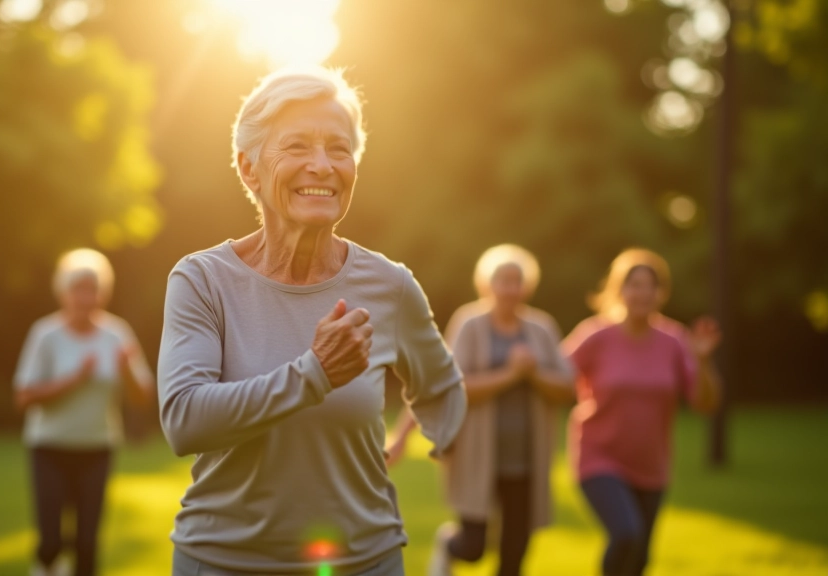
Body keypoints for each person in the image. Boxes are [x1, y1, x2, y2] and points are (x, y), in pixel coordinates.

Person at [157, 66, 467, 576]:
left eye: (339, 148)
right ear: (249, 169)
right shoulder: (202, 280)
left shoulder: (390, 285)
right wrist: (315, 375)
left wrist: (447, 441)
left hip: (365, 562)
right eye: (297, 146)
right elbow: (185, 421)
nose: (322, 165)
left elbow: (440, 384)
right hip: (222, 563)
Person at [389, 245, 574, 576]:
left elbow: (566, 389)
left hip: (526, 460)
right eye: (502, 280)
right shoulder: (470, 324)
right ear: (487, 284)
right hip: (477, 455)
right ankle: (449, 545)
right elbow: (452, 387)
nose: (509, 288)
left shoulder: (541, 329)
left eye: (516, 281)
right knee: (473, 548)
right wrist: (511, 374)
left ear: (527, 286)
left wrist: (534, 373)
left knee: (514, 553)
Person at [565, 248, 722, 576]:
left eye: (649, 286)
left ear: (660, 293)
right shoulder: (597, 335)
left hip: (652, 465)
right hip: (599, 458)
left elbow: (705, 402)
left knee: (639, 560)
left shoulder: (675, 340)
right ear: (619, 291)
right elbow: (555, 374)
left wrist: (704, 362)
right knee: (625, 533)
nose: (641, 293)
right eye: (633, 285)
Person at [13, 248, 155, 576]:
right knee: (49, 543)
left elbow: (143, 397)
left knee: (87, 544)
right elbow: (23, 397)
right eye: (78, 289)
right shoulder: (45, 335)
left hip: (97, 448)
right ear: (63, 293)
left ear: (102, 294)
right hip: (49, 447)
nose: (85, 297)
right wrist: (74, 379)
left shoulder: (117, 334)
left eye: (92, 290)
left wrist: (126, 371)